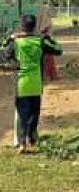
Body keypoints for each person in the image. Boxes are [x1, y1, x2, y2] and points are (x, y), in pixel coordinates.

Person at [6, 15, 63, 153]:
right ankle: (32, 138)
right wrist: (47, 37)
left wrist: (10, 38)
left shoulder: (17, 43)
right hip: (36, 85)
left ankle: (21, 143)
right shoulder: (40, 41)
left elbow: (3, 53)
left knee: (22, 114)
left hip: (22, 84)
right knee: (34, 114)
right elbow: (58, 49)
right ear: (34, 27)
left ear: (21, 27)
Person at [37, 3, 59, 80]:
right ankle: (49, 75)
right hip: (45, 40)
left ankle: (51, 75)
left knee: (48, 58)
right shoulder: (45, 21)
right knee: (47, 58)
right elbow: (43, 30)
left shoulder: (44, 19)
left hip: (44, 39)